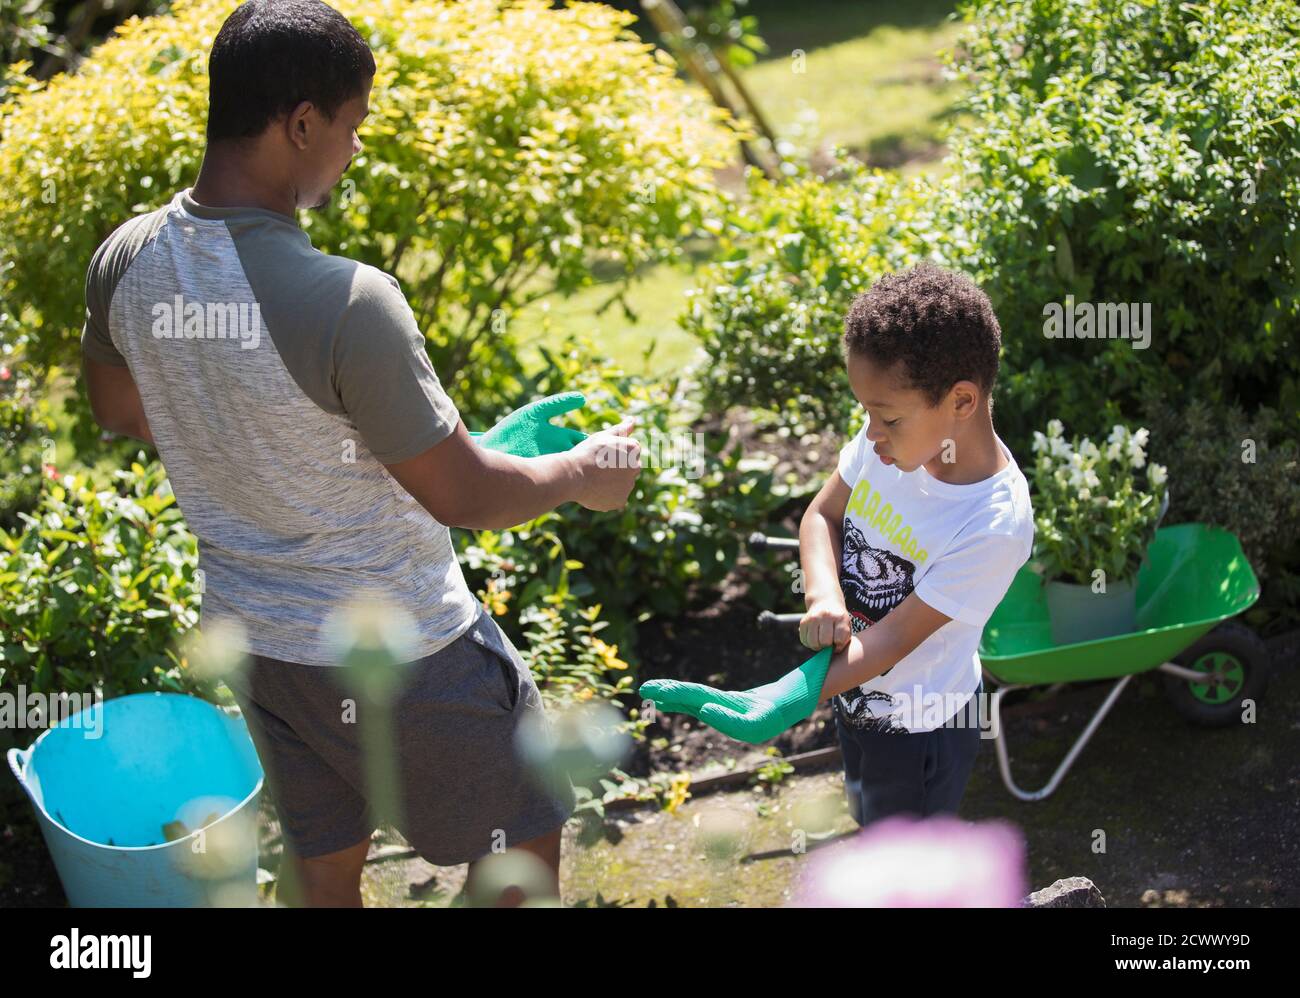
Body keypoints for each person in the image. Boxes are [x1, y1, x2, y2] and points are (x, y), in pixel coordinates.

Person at [80, 0, 640, 907]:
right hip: (407, 652)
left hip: (262, 646)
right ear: (302, 123)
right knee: (524, 843)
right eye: (351, 128)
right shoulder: (348, 300)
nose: (352, 150)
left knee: (327, 861)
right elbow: (464, 496)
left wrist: (257, 442)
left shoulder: (128, 260)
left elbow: (122, 411)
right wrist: (583, 474)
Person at [641, 262, 1034, 827]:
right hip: (853, 696)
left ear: (962, 401)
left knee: (904, 864)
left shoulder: (993, 524)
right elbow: (822, 514)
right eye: (866, 412)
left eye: (887, 417)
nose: (870, 432)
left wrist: (788, 695)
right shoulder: (892, 440)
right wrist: (824, 596)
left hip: (920, 729)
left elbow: (896, 636)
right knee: (868, 825)